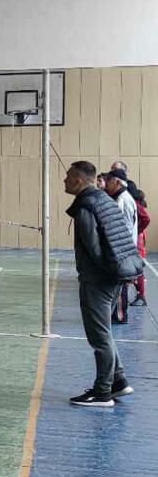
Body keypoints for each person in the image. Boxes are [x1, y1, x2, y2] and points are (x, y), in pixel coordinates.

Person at [64, 161, 141, 407]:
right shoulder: (104, 198)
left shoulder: (86, 205)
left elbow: (94, 248)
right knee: (105, 333)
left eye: (68, 176)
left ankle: (102, 392)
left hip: (99, 280)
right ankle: (118, 381)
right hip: (113, 277)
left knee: (99, 338)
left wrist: (101, 275)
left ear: (78, 180)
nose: (64, 180)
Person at [103, 170, 138, 324]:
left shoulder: (123, 199)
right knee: (117, 284)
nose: (106, 183)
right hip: (122, 250)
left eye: (109, 180)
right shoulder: (121, 198)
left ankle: (120, 315)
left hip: (123, 251)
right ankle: (117, 314)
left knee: (121, 284)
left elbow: (126, 228)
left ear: (117, 182)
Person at [132, 192, 150, 307]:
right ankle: (140, 295)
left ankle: (141, 296)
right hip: (138, 237)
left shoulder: (135, 204)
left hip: (138, 238)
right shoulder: (135, 203)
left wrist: (137, 230)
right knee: (136, 268)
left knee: (138, 268)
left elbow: (146, 219)